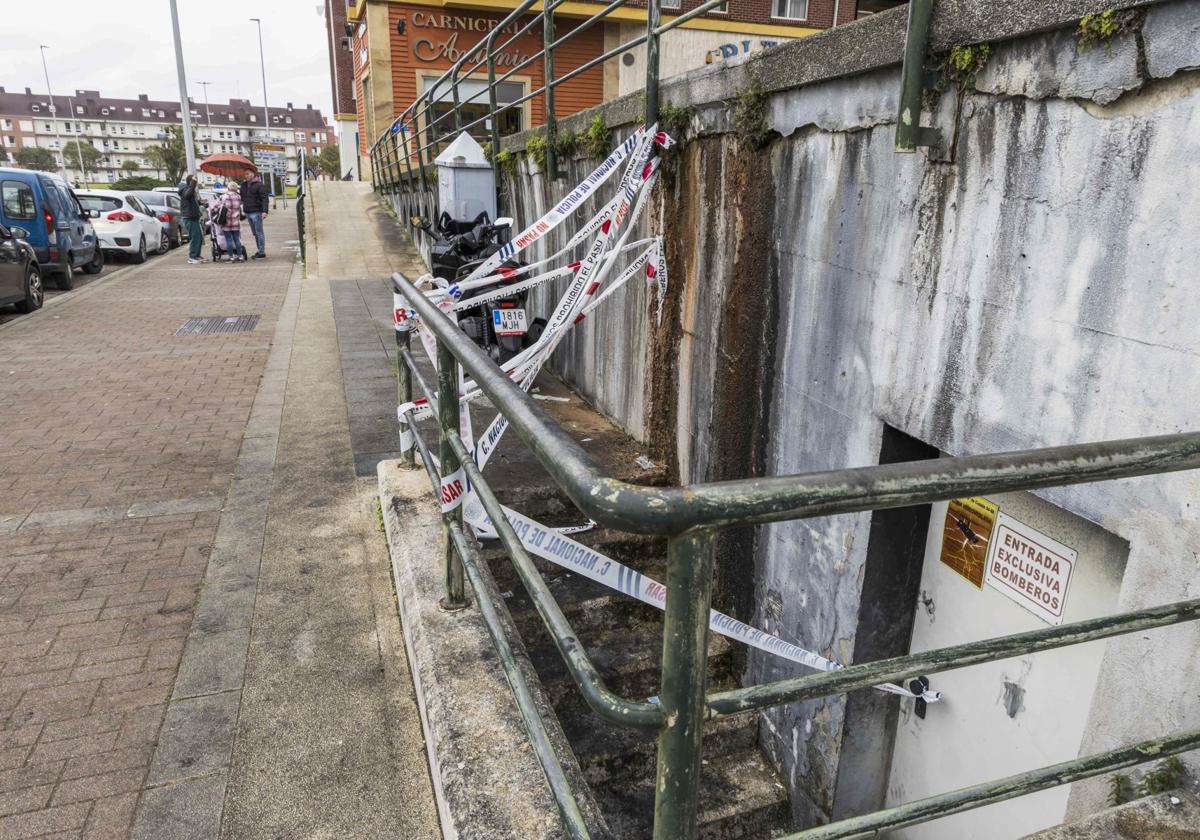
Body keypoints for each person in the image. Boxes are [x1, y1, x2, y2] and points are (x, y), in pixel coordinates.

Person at [241, 170, 269, 259]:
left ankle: (262, 252)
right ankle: (259, 250)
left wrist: (265, 211)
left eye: (248, 173)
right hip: (248, 212)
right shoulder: (244, 185)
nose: (246, 175)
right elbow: (242, 197)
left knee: (259, 232)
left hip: (256, 212)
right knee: (255, 233)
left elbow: (265, 198)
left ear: (253, 174)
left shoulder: (259, 185)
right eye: (245, 174)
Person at [217, 182, 245, 262]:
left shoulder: (224, 197)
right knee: (237, 239)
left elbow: (218, 206)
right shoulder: (239, 197)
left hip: (226, 221)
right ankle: (240, 256)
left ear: (228, 188)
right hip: (236, 221)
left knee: (228, 240)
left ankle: (231, 256)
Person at [180, 175, 205, 264]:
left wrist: (201, 203)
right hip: (189, 217)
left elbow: (192, 201)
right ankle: (192, 257)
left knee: (198, 237)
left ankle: (197, 256)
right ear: (190, 181)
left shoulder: (190, 190)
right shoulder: (185, 190)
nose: (196, 181)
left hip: (193, 217)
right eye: (195, 180)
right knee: (194, 237)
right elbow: (188, 195)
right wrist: (193, 183)